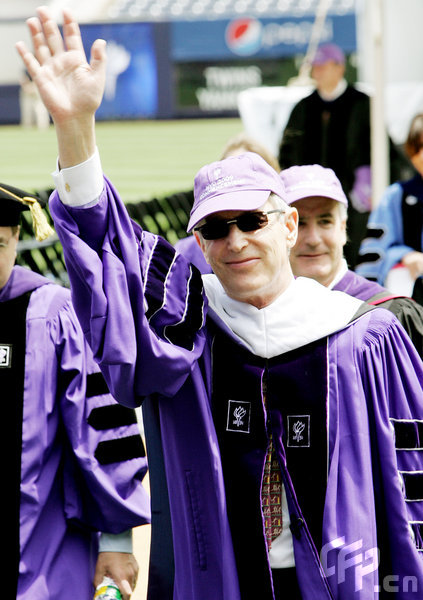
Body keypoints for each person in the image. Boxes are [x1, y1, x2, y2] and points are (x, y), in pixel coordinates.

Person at [17, 8, 423, 599]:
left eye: (252, 220)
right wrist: (76, 128)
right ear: (198, 244)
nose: (235, 240)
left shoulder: (365, 337)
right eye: (215, 228)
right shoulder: (187, 329)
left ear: (287, 226)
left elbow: (411, 478)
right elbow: (112, 250)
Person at [0, 183, 150, 599]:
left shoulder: (52, 314)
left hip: (41, 557)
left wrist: (117, 541)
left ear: (16, 238)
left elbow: (103, 429)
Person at [281, 163, 423, 357]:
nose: (314, 239)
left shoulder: (390, 313)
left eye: (325, 221)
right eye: (300, 223)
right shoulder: (262, 318)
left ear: (342, 228)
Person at [174, 132, 280, 274]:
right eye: (215, 229)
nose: (236, 243)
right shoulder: (186, 251)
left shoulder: (287, 247)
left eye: (253, 221)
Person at [356, 113, 423, 298]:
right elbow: (375, 252)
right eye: (418, 148)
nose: (422, 156)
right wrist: (404, 254)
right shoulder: (396, 196)